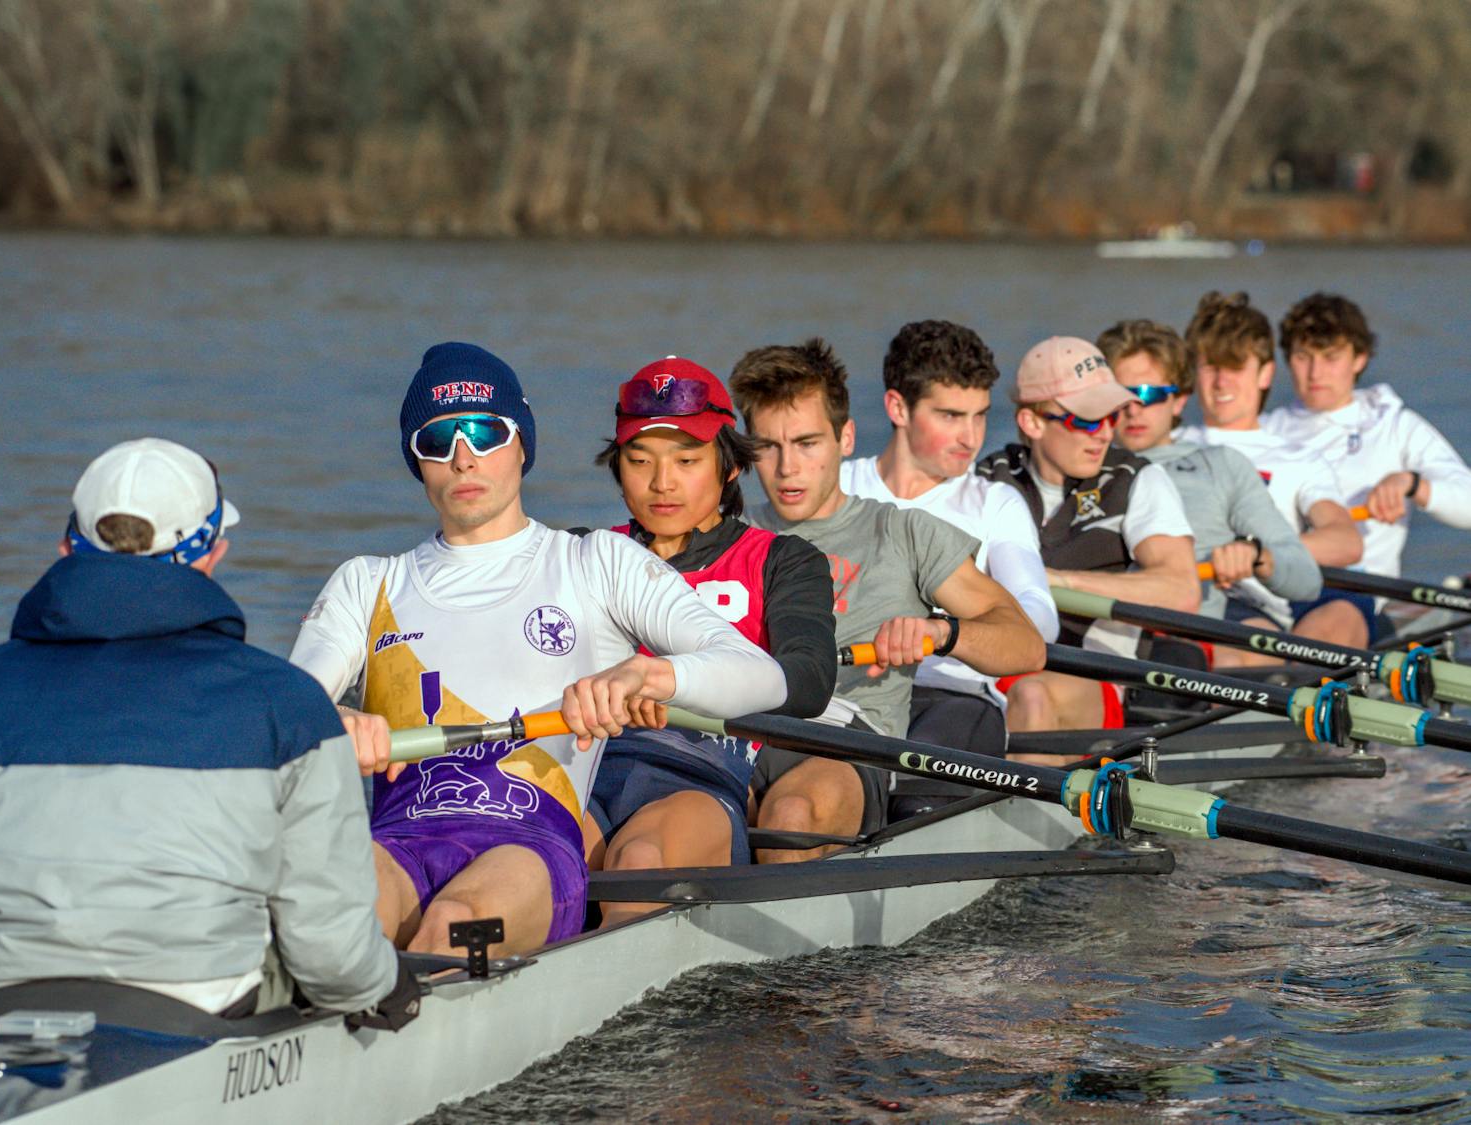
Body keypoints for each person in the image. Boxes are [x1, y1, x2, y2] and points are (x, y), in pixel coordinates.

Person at [290, 343, 786, 959]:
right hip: (395, 840)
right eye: (437, 439)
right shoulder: (366, 583)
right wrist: (329, 721)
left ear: (522, 443)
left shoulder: (593, 563)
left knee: (451, 923)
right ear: (417, 461)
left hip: (530, 848)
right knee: (319, 915)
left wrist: (649, 677)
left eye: (483, 431)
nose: (464, 458)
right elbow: (285, 708)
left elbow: (761, 677)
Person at [0, 438, 414, 1026]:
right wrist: (388, 984)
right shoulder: (286, 704)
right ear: (212, 554)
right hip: (197, 1006)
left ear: (66, 548)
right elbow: (333, 957)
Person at [729, 338, 1046, 859]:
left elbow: (1026, 646)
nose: (787, 469)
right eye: (768, 446)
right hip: (735, 730)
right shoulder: (727, 533)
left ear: (845, 438)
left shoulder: (904, 534)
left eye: (807, 443)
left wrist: (940, 633)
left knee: (790, 816)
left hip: (846, 739)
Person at [588, 356, 836, 922]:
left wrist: (677, 687)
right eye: (639, 460)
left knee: (637, 862)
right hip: (585, 765)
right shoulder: (583, 552)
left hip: (698, 775)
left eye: (687, 459)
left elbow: (809, 681)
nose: (661, 482)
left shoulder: (782, 561)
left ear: (728, 467)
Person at [838, 320, 1057, 815]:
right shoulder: (837, 486)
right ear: (898, 408)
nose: (971, 437)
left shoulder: (995, 503)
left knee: (911, 810)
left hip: (952, 695)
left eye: (980, 416)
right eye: (951, 416)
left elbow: (1038, 618)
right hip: (844, 696)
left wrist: (942, 629)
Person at [977, 337, 1200, 741]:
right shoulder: (990, 477)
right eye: (1087, 419)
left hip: (1093, 673)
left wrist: (1058, 582)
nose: (1104, 434)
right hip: (994, 665)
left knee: (1032, 696)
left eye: (1111, 417)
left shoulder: (1136, 480)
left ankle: (1015, 800)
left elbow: (1181, 589)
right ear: (1032, 422)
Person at [1098, 318, 1321, 661]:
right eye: (1120, 396)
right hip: (1103, 636)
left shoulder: (1219, 465)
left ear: (1179, 400)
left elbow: (1306, 580)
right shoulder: (1080, 466)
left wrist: (1256, 554)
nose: (1133, 409)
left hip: (1196, 639)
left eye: (1149, 394)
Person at [1263, 291, 1471, 641]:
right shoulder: (1265, 430)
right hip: (1267, 599)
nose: (1315, 372)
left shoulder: (1394, 426)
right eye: (1303, 357)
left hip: (1357, 599)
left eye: (1330, 357)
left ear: (1359, 359)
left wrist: (1412, 485)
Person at [1175, 293, 1364, 647]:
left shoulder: (1298, 460)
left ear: (1265, 373)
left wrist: (1256, 553)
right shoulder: (1168, 443)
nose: (1221, 383)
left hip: (1256, 610)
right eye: (1211, 367)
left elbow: (1345, 540)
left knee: (1338, 620)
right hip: (1172, 598)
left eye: (1234, 367)